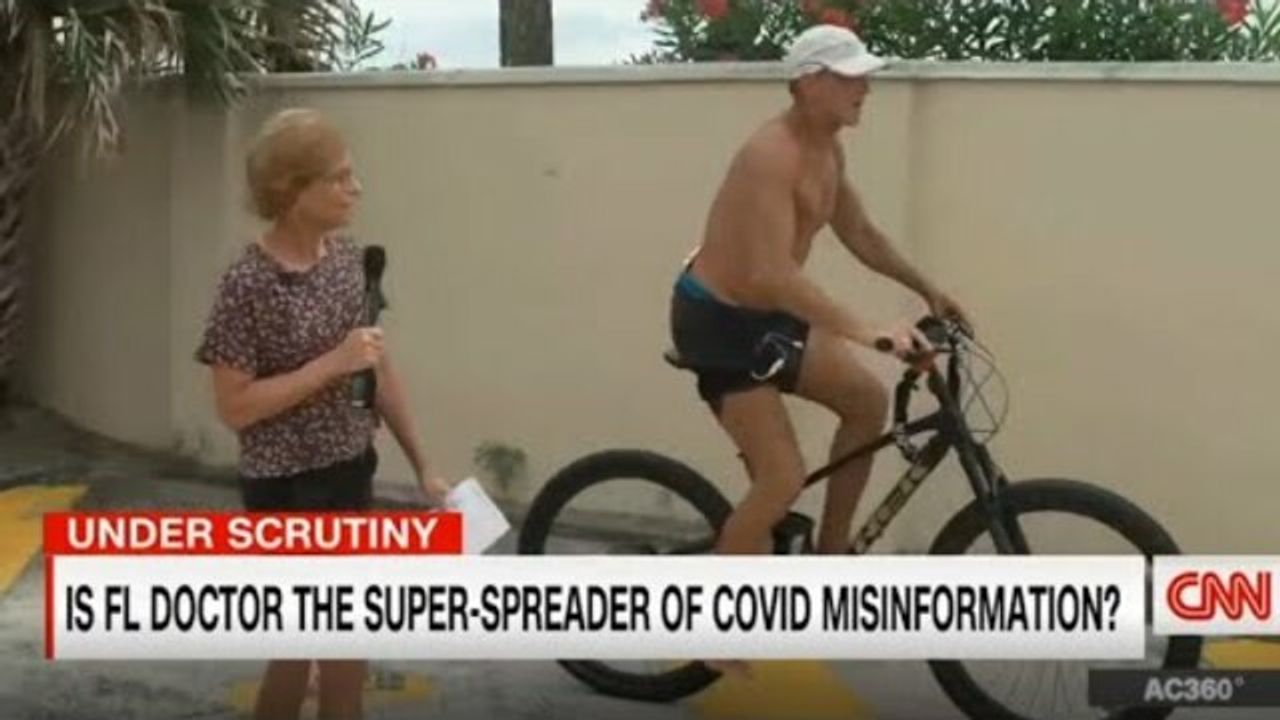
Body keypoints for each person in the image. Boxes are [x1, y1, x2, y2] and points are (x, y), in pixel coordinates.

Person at [668, 24, 970, 669]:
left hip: (767, 314)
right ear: (809, 83)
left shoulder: (827, 150)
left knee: (866, 403)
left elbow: (860, 232)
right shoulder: (769, 155)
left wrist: (928, 289)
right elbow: (770, 273)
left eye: (866, 77)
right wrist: (866, 330)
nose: (865, 89)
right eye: (851, 77)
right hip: (718, 322)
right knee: (781, 478)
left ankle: (829, 566)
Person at [196, 108, 451, 720]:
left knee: (345, 649)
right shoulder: (247, 283)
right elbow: (234, 406)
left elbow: (378, 369)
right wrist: (330, 365)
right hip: (284, 489)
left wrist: (425, 467)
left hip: (348, 471)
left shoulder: (347, 261)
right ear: (292, 190)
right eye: (338, 178)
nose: (354, 189)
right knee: (295, 649)